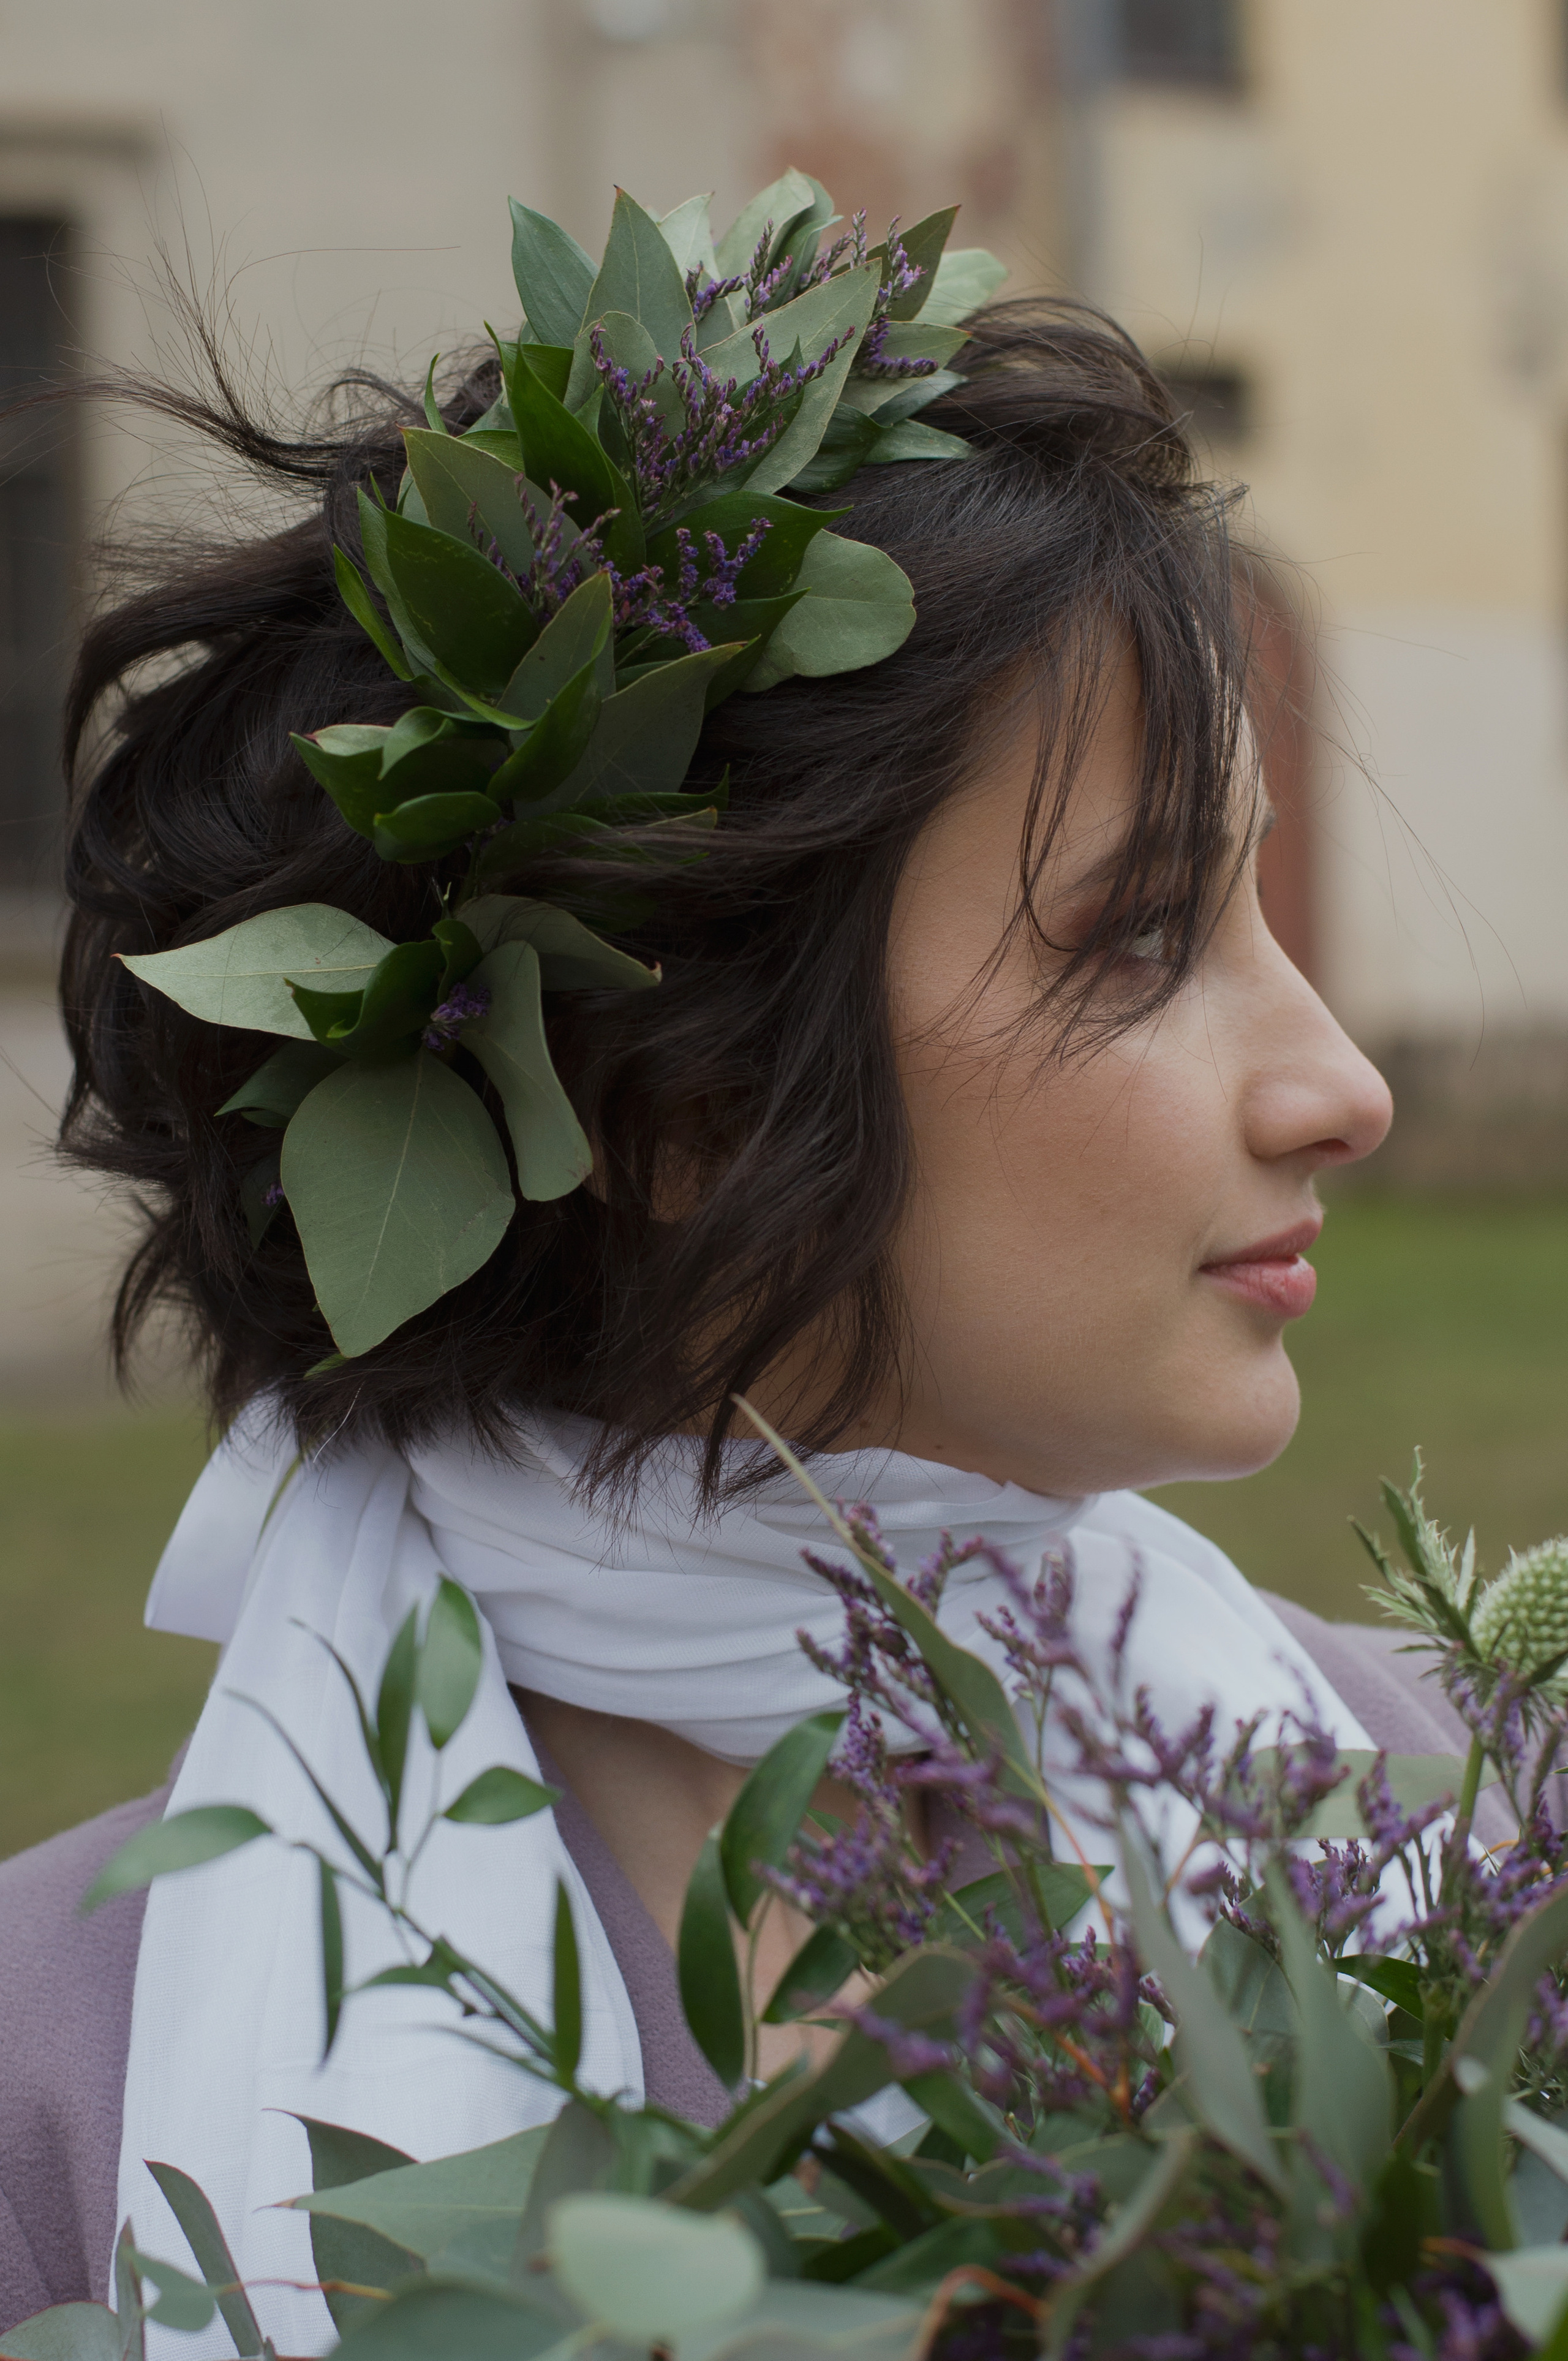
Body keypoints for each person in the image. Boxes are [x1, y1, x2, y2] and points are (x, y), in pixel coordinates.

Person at [0, 191, 1461, 2350]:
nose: (1339, 1084)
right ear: (674, 1099)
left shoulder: (1452, 1842)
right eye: (1144, 940)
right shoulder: (67, 2092)